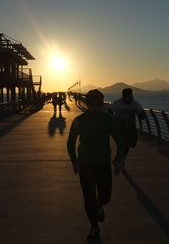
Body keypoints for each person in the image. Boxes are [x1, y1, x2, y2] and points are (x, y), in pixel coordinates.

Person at [67, 89, 124, 242]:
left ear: (101, 104)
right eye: (92, 105)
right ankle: (94, 226)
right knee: (88, 198)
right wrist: (74, 161)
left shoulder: (108, 120)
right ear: (87, 104)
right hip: (86, 165)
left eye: (98, 105)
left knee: (105, 197)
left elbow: (120, 142)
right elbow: (70, 143)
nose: (95, 108)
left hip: (103, 163)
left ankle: (100, 206)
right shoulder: (79, 121)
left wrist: (119, 160)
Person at [111, 88, 145, 165]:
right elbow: (109, 110)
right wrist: (114, 118)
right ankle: (120, 160)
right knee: (122, 144)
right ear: (124, 96)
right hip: (119, 128)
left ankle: (120, 159)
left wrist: (140, 114)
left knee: (128, 145)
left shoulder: (135, 104)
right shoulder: (117, 103)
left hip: (130, 128)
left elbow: (142, 116)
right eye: (129, 96)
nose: (130, 97)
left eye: (131, 95)